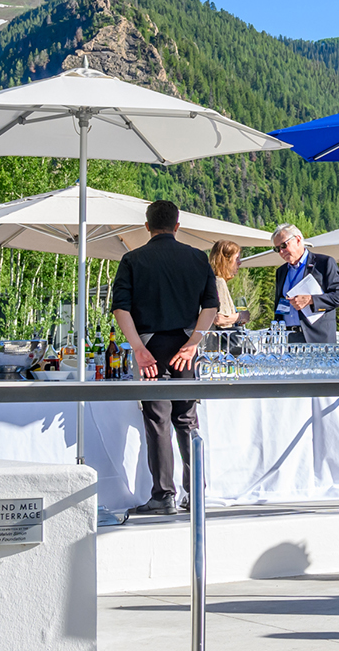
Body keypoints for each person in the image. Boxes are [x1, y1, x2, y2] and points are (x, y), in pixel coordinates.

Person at [111, 200, 220, 516]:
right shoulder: (197, 258)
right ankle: (195, 494)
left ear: (147, 226)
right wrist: (194, 342)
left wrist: (138, 347)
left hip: (150, 348)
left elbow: (122, 308)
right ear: (177, 225)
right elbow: (210, 307)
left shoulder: (132, 259)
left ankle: (163, 495)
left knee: (157, 421)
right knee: (186, 420)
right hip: (186, 347)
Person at [268, 223, 339, 344]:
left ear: (298, 240)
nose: (281, 251)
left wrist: (311, 300)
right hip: (288, 339)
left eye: (284, 245)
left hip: (316, 338)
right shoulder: (281, 271)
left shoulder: (323, 263)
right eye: (277, 249)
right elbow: (280, 305)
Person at [209, 241, 251, 328]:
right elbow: (219, 319)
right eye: (237, 258)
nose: (240, 262)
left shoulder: (210, 280)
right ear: (226, 260)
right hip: (219, 340)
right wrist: (241, 316)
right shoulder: (219, 282)